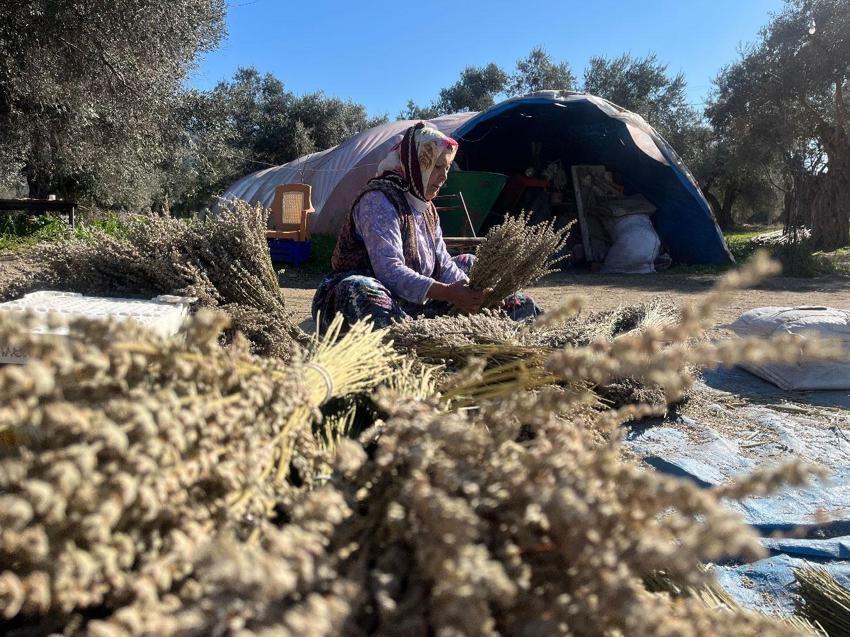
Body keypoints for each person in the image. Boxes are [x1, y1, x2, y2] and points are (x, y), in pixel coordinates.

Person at [311, 122, 541, 332]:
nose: (443, 177)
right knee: (360, 289)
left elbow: (443, 262)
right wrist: (449, 293)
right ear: (418, 163)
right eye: (438, 167)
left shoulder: (425, 206)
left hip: (412, 301)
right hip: (366, 295)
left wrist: (471, 291)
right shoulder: (378, 200)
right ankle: (406, 336)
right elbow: (389, 271)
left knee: (470, 263)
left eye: (447, 168)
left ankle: (524, 313)